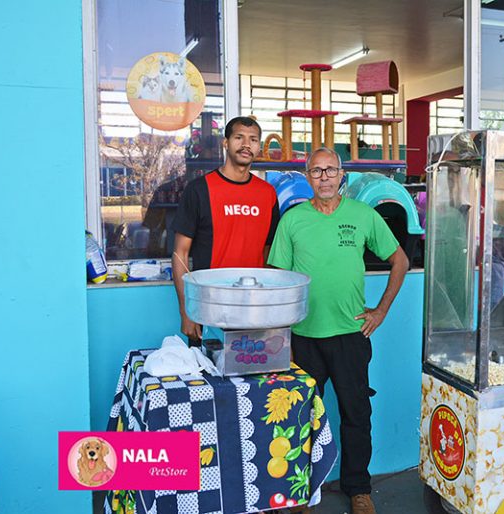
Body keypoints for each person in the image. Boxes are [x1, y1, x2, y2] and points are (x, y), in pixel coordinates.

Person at [268, 147, 409, 514]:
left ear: (342, 175)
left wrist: (381, 310)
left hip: (350, 337)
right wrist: (283, 338)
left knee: (356, 417)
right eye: (316, 171)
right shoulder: (293, 220)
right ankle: (300, 492)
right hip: (303, 338)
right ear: (307, 177)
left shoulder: (363, 215)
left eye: (330, 170)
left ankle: (359, 490)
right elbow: (279, 283)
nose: (324, 177)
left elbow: (400, 260)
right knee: (299, 419)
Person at [172, 116, 280, 341]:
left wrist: (270, 306)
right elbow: (180, 253)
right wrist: (186, 310)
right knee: (207, 364)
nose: (246, 144)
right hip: (209, 306)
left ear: (258, 147)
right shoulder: (199, 189)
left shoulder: (267, 193)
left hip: (254, 307)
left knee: (254, 363)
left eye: (253, 139)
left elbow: (270, 253)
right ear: (225, 143)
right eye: (239, 137)